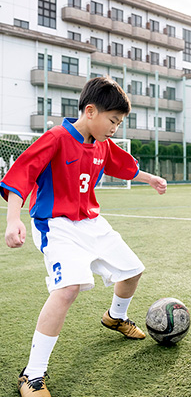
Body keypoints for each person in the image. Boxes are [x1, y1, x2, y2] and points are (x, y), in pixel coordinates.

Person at [0, 76, 167, 397]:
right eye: (113, 120)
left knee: (133, 270)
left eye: (119, 122)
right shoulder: (56, 138)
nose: (115, 128)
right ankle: (31, 375)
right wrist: (12, 220)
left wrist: (150, 179)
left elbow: (122, 166)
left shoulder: (101, 143)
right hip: (55, 224)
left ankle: (115, 317)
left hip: (91, 221)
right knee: (67, 290)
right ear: (90, 111)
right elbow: (21, 176)